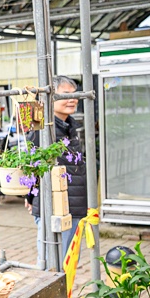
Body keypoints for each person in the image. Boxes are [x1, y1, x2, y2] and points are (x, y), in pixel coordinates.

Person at [27, 76, 88, 267]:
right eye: (65, 94)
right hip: (54, 207)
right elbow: (32, 166)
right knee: (51, 266)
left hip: (74, 204)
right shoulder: (42, 129)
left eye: (75, 94)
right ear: (50, 97)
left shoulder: (71, 127)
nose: (72, 99)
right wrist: (31, 197)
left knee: (64, 267)